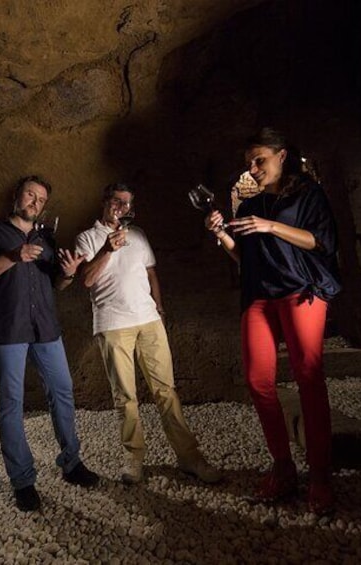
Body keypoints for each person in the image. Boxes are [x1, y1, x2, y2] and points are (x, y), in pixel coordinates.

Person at [205, 127, 342, 515]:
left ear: (282, 155)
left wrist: (272, 226)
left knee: (308, 378)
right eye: (249, 162)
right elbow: (245, 260)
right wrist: (222, 236)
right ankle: (283, 468)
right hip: (260, 296)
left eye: (259, 159)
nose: (252, 167)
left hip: (301, 292)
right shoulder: (248, 208)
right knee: (257, 380)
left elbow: (321, 241)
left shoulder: (308, 195)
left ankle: (320, 476)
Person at [73, 183, 222, 485]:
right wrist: (107, 249)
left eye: (127, 204)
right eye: (117, 201)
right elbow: (86, 280)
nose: (122, 208)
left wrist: (160, 309)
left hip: (149, 321)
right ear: (105, 202)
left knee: (166, 391)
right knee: (125, 397)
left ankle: (190, 457)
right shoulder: (87, 238)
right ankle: (134, 459)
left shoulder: (138, 235)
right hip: (113, 325)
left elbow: (151, 272)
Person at [0, 175, 99, 512]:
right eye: (30, 194)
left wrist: (68, 272)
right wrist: (13, 256)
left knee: (63, 392)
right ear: (17, 196)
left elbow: (59, 284)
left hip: (46, 329)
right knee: (11, 403)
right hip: (7, 328)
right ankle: (23, 481)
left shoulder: (47, 237)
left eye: (41, 199)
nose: (35, 202)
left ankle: (71, 464)